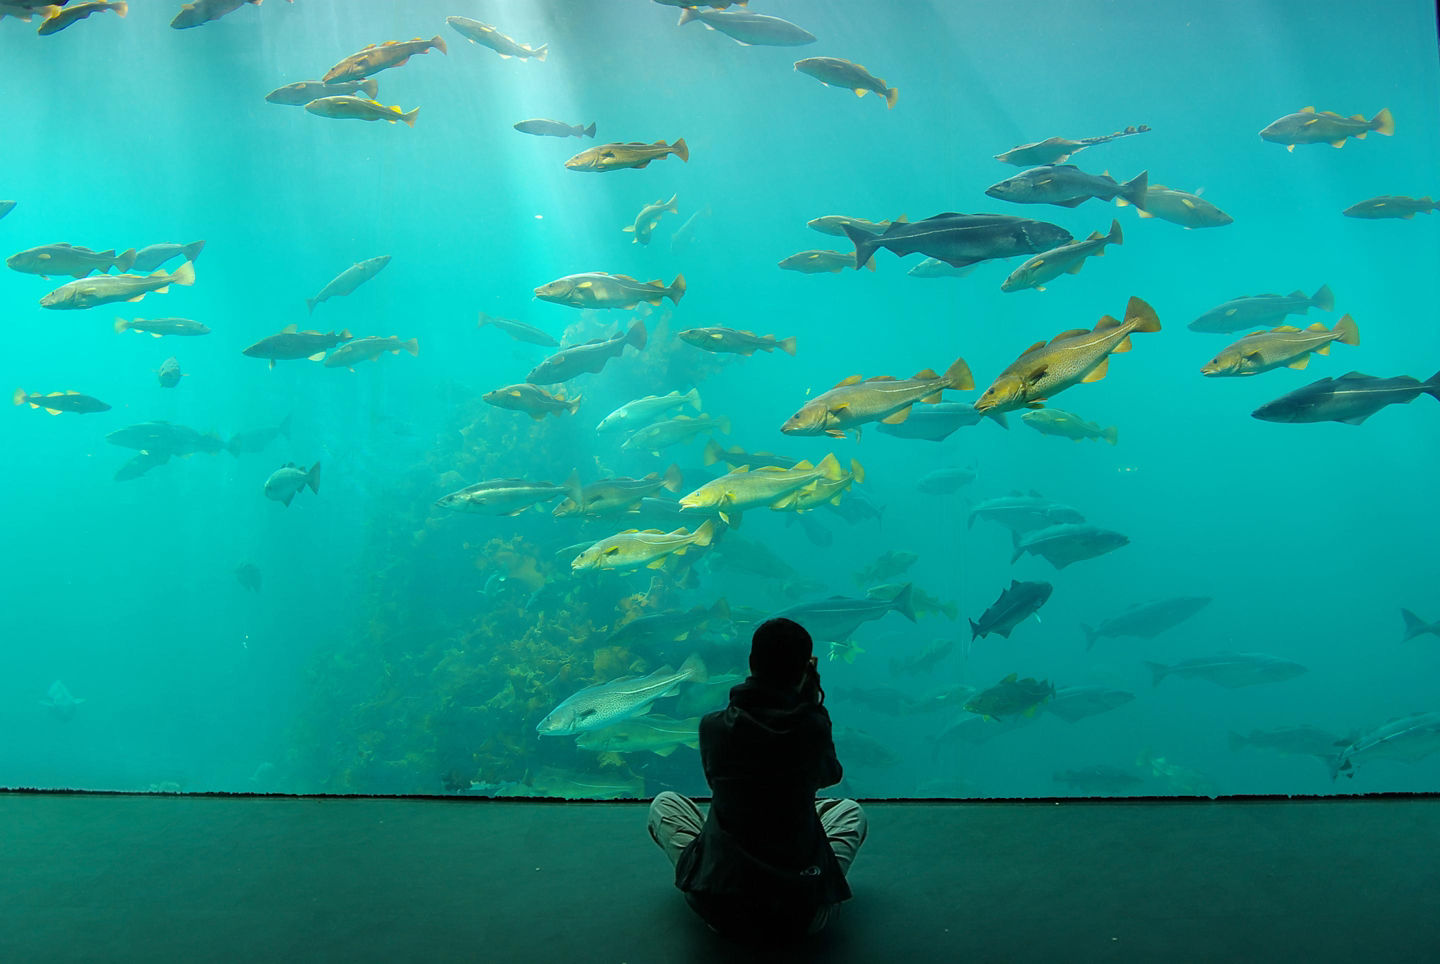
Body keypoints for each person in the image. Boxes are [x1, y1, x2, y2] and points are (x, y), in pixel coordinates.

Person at [647, 617, 867, 942]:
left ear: (751, 663)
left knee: (665, 804)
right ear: (806, 669)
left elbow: (717, 783)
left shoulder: (713, 726)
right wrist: (812, 707)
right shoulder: (811, 727)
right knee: (849, 811)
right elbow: (830, 775)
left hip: (718, 908)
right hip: (803, 914)